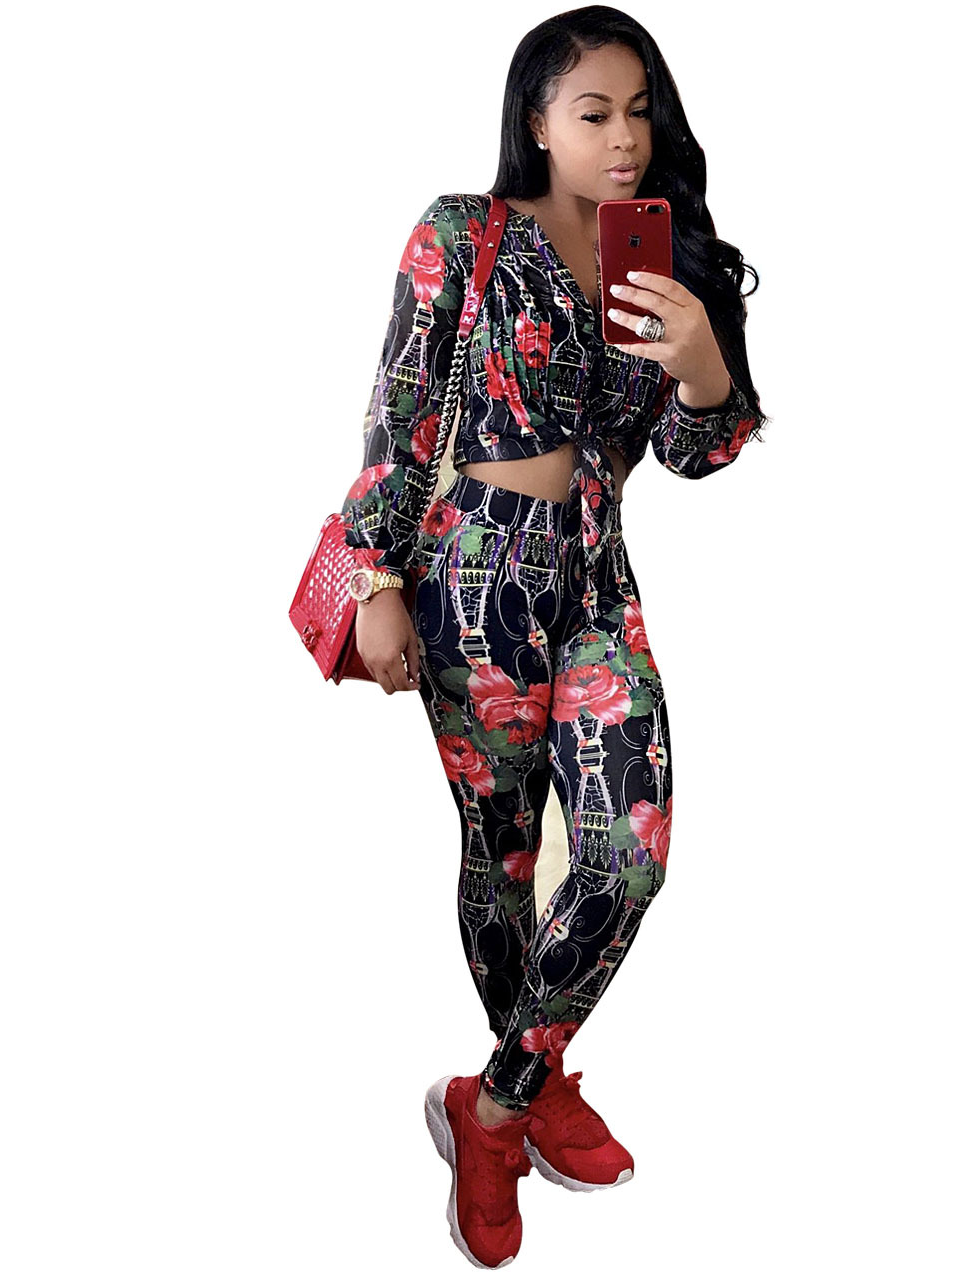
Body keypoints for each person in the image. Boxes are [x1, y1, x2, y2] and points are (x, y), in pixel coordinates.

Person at [339, 7, 768, 1268]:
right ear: (536, 122)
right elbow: (397, 414)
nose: (623, 138)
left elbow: (693, 453)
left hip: (594, 574)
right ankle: (540, 1076)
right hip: (469, 573)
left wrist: (702, 363)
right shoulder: (461, 232)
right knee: (505, 848)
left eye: (639, 112)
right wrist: (371, 576)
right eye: (593, 113)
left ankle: (491, 1105)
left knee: (625, 857)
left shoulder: (666, 256)